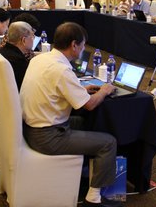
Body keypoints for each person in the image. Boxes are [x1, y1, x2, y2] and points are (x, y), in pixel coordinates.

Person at [20, 22, 119, 207]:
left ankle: (86, 173)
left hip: (31, 128)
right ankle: (93, 198)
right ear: (74, 45)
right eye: (83, 45)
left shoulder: (40, 59)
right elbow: (89, 105)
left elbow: (53, 89)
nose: (83, 49)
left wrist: (80, 89)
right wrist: (105, 90)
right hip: (48, 137)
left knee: (85, 122)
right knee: (108, 142)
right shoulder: (62, 70)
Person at [0, 21, 34, 89]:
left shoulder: (1, 51)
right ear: (24, 40)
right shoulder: (19, 62)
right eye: (32, 36)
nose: (33, 40)